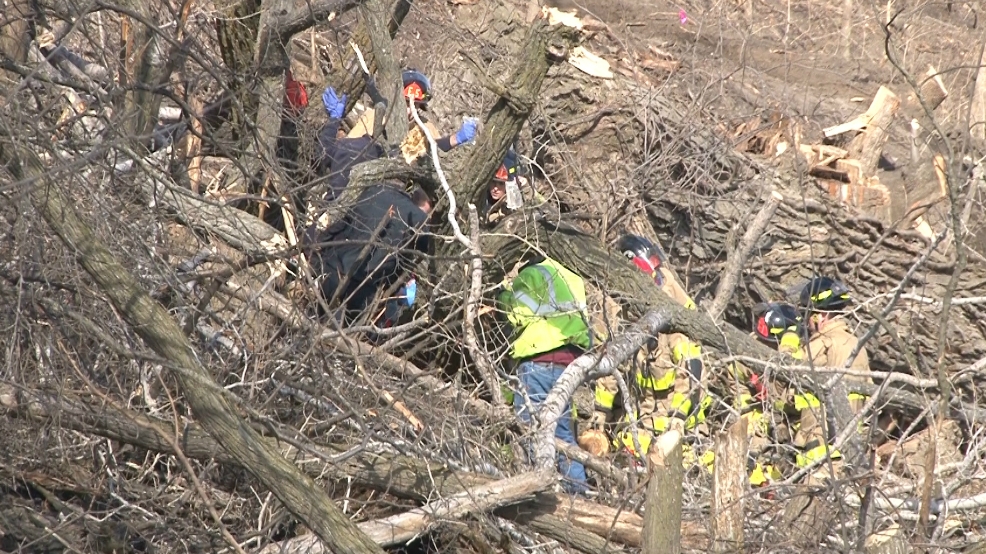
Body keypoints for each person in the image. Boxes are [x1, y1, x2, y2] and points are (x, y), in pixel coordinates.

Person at [586, 234, 711, 462]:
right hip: (643, 408)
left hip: (679, 414)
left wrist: (677, 418)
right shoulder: (620, 307)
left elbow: (690, 369)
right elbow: (611, 362)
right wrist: (600, 415)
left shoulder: (671, 306)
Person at [499, 255, 592, 494]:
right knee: (562, 435)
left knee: (531, 430)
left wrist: (501, 293)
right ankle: (579, 496)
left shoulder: (532, 275)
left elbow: (516, 314)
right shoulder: (572, 277)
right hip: (568, 365)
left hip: (538, 362)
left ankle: (537, 491)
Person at [305, 182, 431, 325]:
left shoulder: (378, 189)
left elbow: (340, 223)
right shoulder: (420, 221)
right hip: (359, 289)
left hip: (330, 265)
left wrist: (315, 255)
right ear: (430, 203)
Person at [788, 276, 872, 470]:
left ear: (821, 317)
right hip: (851, 449)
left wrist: (790, 339)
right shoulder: (856, 344)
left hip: (821, 448)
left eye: (809, 315)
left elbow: (788, 372)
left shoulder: (823, 343)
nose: (807, 321)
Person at [730, 301, 805, 487]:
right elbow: (737, 382)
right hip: (763, 411)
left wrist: (787, 352)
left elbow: (794, 399)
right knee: (750, 442)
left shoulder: (802, 355)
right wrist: (747, 411)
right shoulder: (750, 346)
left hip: (795, 418)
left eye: (768, 343)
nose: (761, 345)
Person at [347, 69, 477, 151]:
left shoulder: (426, 127)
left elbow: (436, 150)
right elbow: (346, 148)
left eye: (415, 105)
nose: (410, 111)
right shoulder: (373, 116)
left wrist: (456, 138)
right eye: (406, 103)